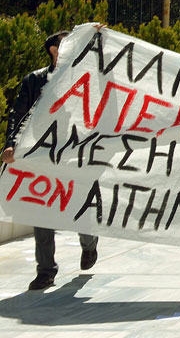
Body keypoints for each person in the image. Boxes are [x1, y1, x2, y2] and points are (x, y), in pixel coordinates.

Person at [2, 31, 99, 290]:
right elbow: (17, 114)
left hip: (73, 156)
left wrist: (98, 36)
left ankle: (89, 244)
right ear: (53, 51)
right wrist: (10, 144)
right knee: (41, 211)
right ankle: (45, 271)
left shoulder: (84, 80)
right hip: (41, 156)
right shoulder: (34, 80)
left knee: (79, 209)